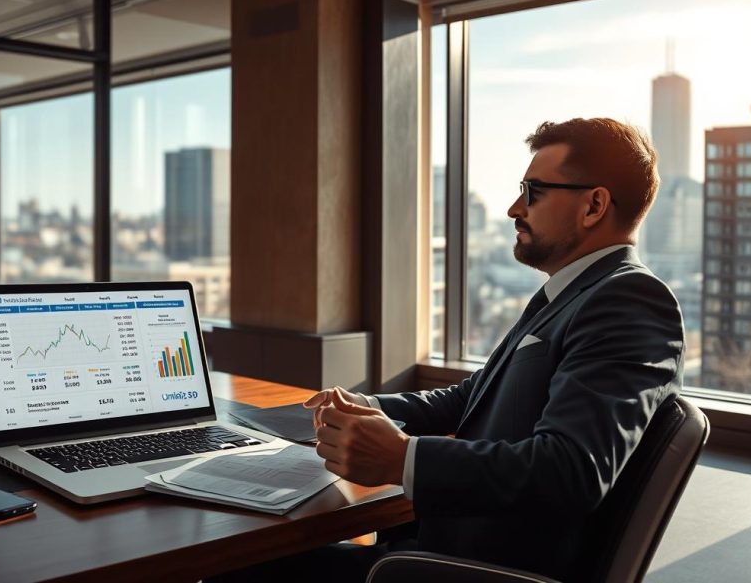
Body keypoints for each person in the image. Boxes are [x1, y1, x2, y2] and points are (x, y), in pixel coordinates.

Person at [213, 118, 684, 582]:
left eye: (533, 191)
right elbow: (468, 398)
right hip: (438, 548)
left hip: (468, 568)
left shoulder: (629, 302)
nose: (514, 208)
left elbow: (571, 471)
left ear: (594, 205)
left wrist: (403, 458)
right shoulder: (568, 296)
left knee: (232, 561)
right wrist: (367, 406)